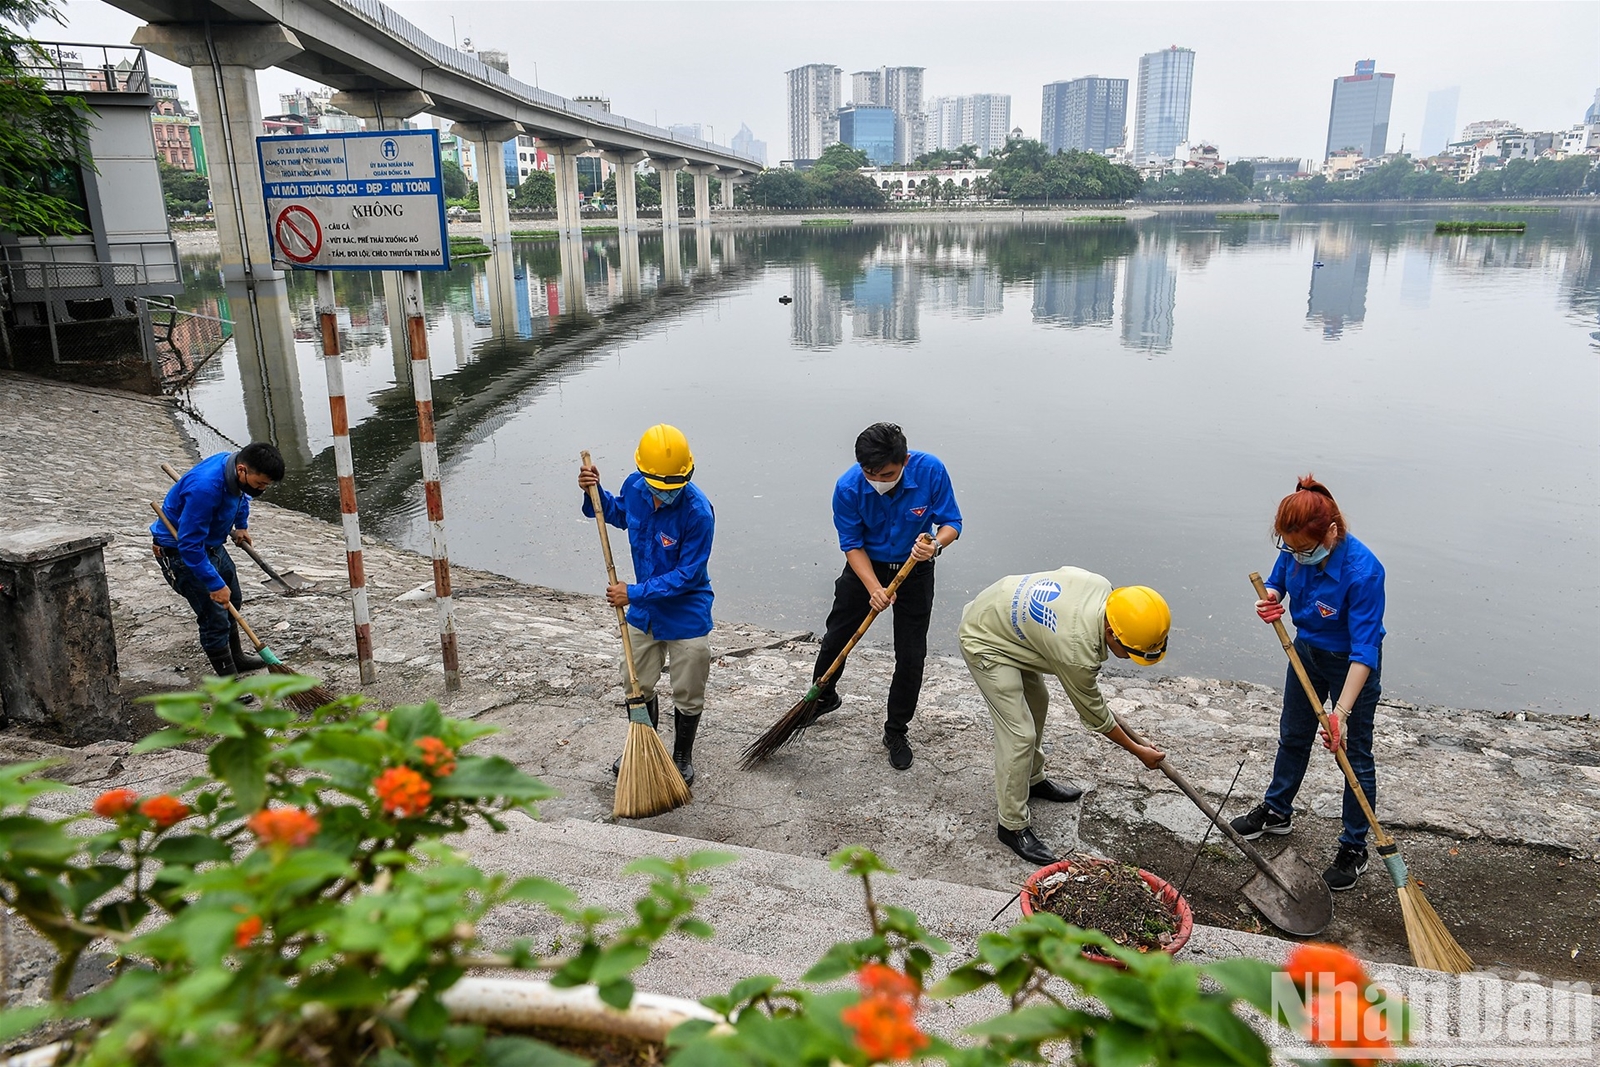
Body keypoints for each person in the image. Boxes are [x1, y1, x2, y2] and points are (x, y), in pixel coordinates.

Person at [1230, 475, 1386, 892]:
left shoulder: (1364, 572)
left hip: (1350, 664)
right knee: (1293, 735)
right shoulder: (1296, 549)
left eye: (1305, 549)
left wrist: (1341, 713)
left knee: (1353, 753)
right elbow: (1279, 579)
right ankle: (1278, 811)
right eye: (1290, 547)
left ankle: (1354, 846)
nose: (1296, 555)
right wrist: (1270, 599)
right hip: (1305, 652)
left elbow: (1365, 651)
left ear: (1331, 533)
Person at [960, 568, 1171, 865]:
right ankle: (1011, 825)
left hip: (1012, 624)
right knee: (1020, 734)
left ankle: (1032, 779)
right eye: (1130, 652)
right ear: (1112, 633)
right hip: (985, 638)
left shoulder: (1103, 589)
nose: (1130, 660)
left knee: (1039, 701)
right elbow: (1095, 715)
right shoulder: (1076, 650)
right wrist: (1138, 751)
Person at [809, 423, 961, 771]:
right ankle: (822, 698)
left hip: (915, 566)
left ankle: (896, 730)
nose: (878, 480)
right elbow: (851, 543)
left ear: (904, 460)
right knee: (836, 636)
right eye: (870, 473)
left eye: (887, 474)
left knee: (911, 654)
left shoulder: (930, 470)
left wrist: (936, 545)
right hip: (868, 565)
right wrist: (873, 588)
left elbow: (952, 522)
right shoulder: (848, 487)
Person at [579, 424, 715, 785]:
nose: (664, 494)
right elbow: (619, 515)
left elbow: (687, 575)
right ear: (643, 473)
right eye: (658, 486)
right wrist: (595, 492)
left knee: (689, 685)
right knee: (635, 682)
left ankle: (682, 755)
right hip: (644, 612)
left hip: (686, 610)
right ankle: (644, 746)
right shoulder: (635, 489)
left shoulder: (699, 512)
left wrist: (632, 593)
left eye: (673, 486)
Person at [151, 443, 285, 678]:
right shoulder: (205, 488)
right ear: (242, 470)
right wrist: (214, 584)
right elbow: (189, 545)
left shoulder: (231, 464)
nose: (262, 489)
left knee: (234, 600)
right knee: (214, 618)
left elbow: (241, 496)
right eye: (260, 484)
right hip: (182, 553)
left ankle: (238, 658)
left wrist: (241, 525)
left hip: (212, 545)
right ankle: (227, 683)